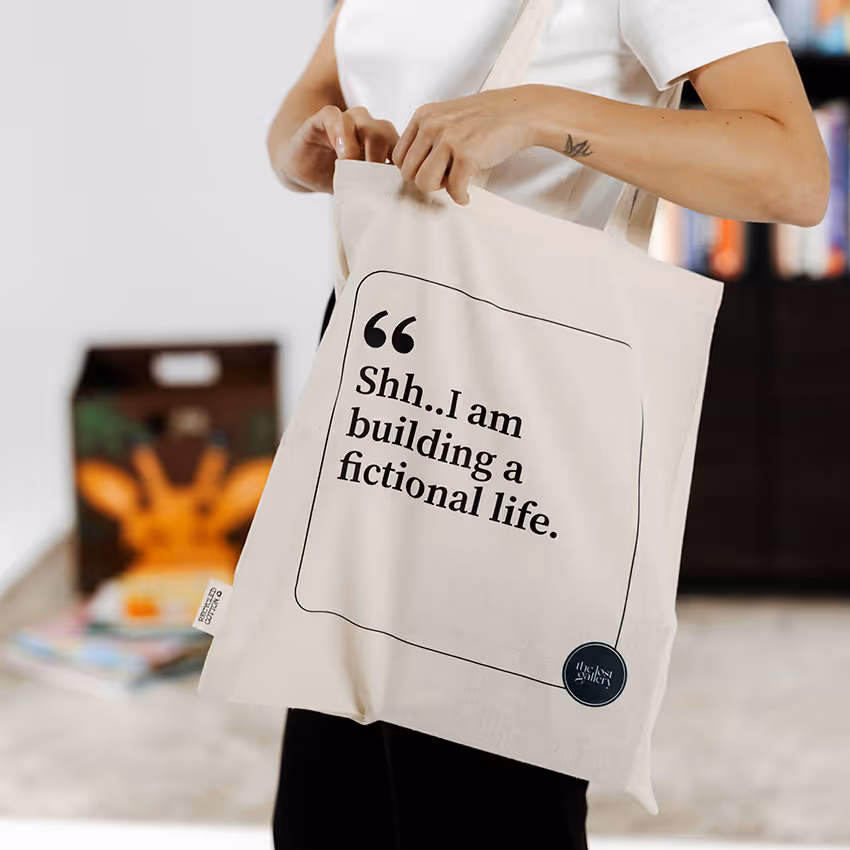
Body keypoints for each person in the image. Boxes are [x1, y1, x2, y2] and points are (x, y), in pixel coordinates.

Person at [266, 2, 828, 848]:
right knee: (329, 810)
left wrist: (537, 113)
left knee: (486, 807)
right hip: (372, 381)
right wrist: (314, 147)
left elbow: (794, 173)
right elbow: (300, 114)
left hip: (517, 407)